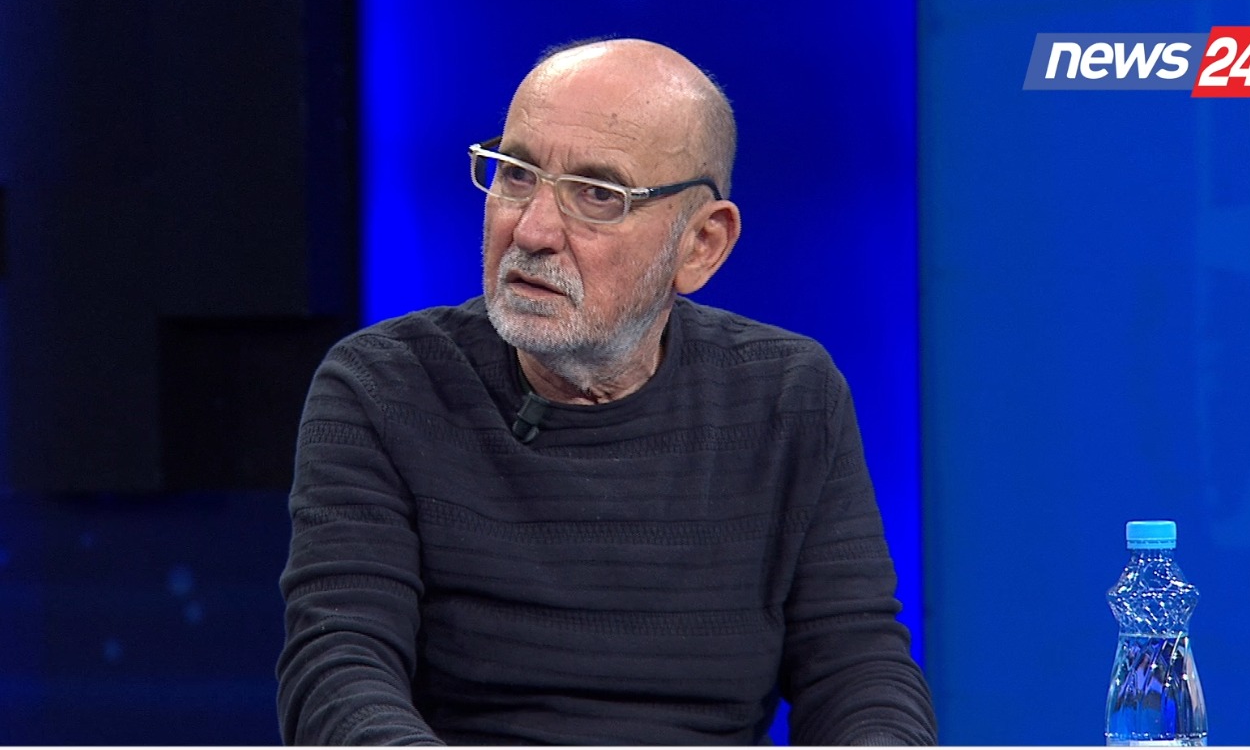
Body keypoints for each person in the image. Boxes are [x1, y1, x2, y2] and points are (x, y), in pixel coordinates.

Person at [277, 38, 937, 746]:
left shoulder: (788, 397)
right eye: (516, 174)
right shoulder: (385, 386)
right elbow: (340, 668)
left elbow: (858, 672)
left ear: (701, 245)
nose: (532, 230)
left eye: (597, 194)